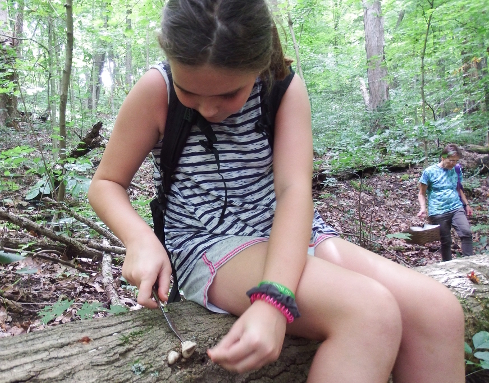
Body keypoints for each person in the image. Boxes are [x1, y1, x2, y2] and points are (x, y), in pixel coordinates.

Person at [88, 1, 465, 381]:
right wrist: (141, 240)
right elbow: (106, 184)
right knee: (367, 311)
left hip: (293, 230)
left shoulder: (282, 88)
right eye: (190, 92)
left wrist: (274, 299)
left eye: (228, 94)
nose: (208, 108)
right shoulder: (158, 89)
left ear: (261, 62)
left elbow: (293, 189)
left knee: (437, 310)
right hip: (210, 243)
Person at [418, 144, 473, 261]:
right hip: (438, 211)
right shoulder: (429, 172)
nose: (454, 163)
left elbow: (459, 188)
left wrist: (467, 204)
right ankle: (448, 267)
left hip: (456, 207)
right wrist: (423, 208)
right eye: (451, 160)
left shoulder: (457, 169)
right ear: (443, 158)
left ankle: (469, 264)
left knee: (466, 233)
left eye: (456, 161)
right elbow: (421, 193)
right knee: (446, 241)